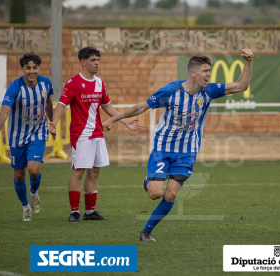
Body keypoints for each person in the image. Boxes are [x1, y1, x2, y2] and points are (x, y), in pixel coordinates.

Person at [103, 48, 253, 241]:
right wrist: (114, 119)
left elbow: (241, 85)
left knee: (171, 194)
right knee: (155, 194)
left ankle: (146, 232)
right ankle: (149, 181)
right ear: (193, 72)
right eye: (205, 71)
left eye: (210, 71)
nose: (209, 75)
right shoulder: (171, 90)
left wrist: (249, 62)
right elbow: (142, 106)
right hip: (163, 148)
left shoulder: (209, 90)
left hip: (187, 151)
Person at [48, 46, 141, 222]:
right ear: (83, 62)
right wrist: (53, 123)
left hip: (97, 133)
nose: (97, 63)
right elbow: (61, 105)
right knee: (79, 171)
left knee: (95, 171)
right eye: (93, 60)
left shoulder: (99, 82)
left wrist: (124, 120)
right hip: (81, 134)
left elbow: (106, 105)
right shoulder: (73, 83)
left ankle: (90, 213)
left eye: (98, 60)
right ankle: (74, 212)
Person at [0, 52, 54, 221]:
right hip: (17, 136)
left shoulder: (46, 83)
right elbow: (4, 111)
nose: (31, 71)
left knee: (33, 170)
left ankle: (33, 193)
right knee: (19, 175)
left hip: (38, 133)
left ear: (39, 68)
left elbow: (48, 103)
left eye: (34, 67)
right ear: (23, 69)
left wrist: (51, 122)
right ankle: (25, 207)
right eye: (28, 68)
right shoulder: (15, 87)